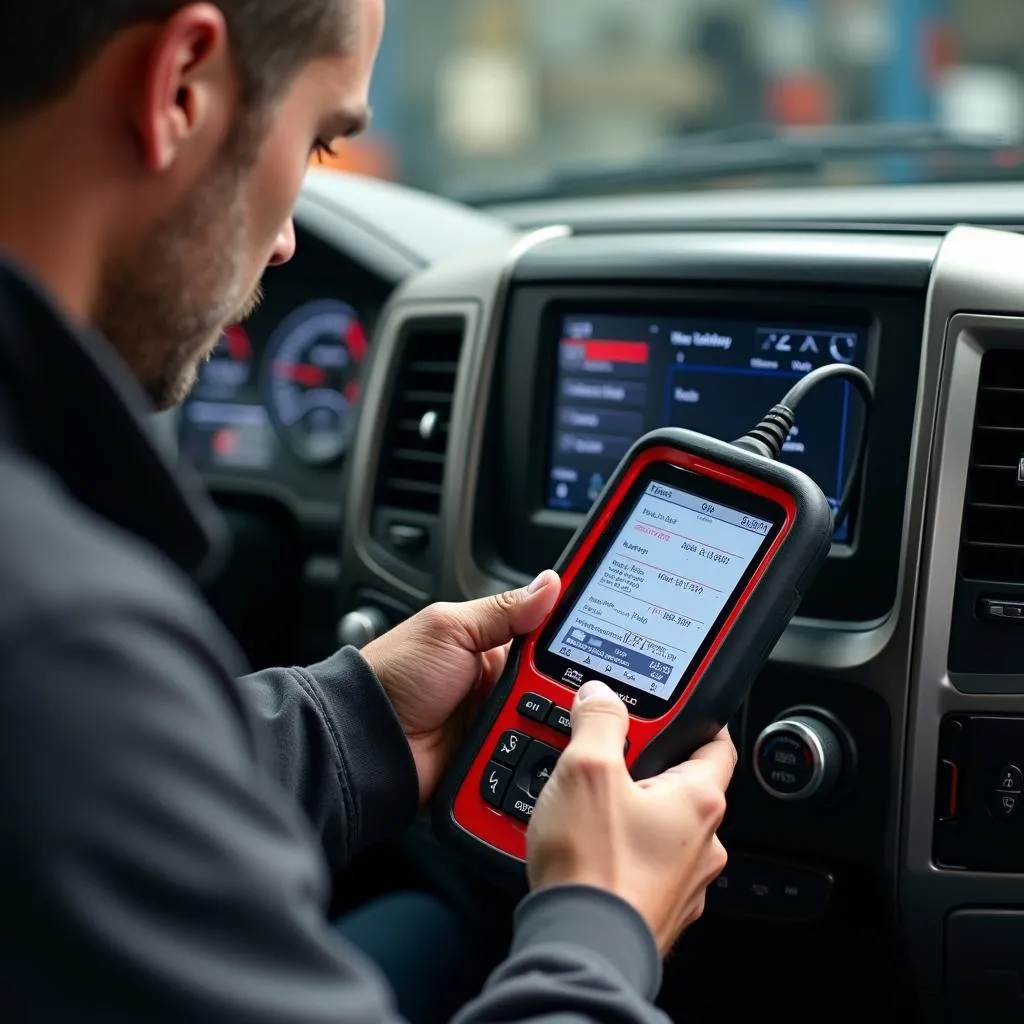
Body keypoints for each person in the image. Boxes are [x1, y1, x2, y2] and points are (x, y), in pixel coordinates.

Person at [0, 2, 737, 1021]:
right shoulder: (61, 641)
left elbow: (73, 792)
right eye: (316, 141)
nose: (292, 238)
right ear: (179, 86)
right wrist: (599, 922)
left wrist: (357, 723)